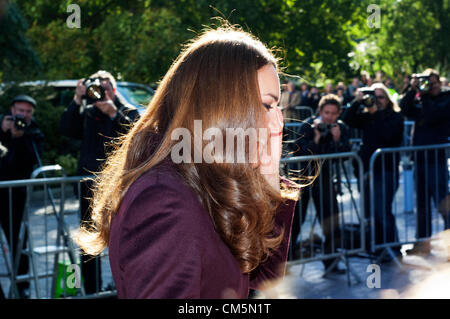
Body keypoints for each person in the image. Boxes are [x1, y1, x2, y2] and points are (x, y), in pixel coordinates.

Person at [74, 26, 300, 299]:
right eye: (266, 105)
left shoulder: (206, 180)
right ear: (221, 105)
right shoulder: (164, 198)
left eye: (277, 107)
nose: (277, 121)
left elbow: (260, 276)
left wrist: (267, 175)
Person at [60, 70, 140, 294]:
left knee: (123, 242)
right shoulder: (88, 112)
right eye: (96, 89)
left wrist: (113, 114)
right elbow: (66, 129)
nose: (100, 94)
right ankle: (93, 291)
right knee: (89, 244)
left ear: (113, 90)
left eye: (104, 89)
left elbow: (138, 135)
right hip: (89, 188)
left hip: (119, 191)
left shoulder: (126, 110)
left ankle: (125, 289)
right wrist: (77, 98)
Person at [342, 83, 404, 259]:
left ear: (388, 98)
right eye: (373, 96)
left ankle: (392, 248)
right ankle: (376, 247)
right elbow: (348, 119)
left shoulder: (395, 116)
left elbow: (388, 136)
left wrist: (375, 113)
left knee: (382, 210)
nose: (377, 100)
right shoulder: (368, 115)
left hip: (386, 170)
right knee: (369, 211)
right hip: (367, 170)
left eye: (381, 96)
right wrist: (357, 100)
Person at [290, 94, 351, 273]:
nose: (329, 117)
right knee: (295, 220)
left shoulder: (340, 128)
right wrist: (316, 139)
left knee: (331, 220)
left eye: (333, 113)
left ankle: (331, 262)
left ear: (339, 113)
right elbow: (299, 153)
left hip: (324, 179)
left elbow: (345, 154)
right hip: (303, 179)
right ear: (320, 111)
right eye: (326, 112)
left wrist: (338, 139)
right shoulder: (307, 125)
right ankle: (284, 262)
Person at [399, 69, 450, 256]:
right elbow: (404, 109)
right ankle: (422, 245)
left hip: (436, 160)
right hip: (419, 159)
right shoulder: (421, 99)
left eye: (433, 82)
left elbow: (432, 116)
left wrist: (425, 95)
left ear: (440, 82)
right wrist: (413, 90)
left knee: (443, 205)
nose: (431, 85)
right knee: (422, 206)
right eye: (427, 82)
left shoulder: (445, 99)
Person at [0, 95, 44, 298]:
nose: (23, 115)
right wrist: (4, 132)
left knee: (19, 242)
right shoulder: (2, 125)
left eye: (28, 112)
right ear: (12, 110)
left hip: (16, 196)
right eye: (20, 111)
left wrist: (19, 139)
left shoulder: (33, 132)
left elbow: (29, 162)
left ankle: (22, 286)